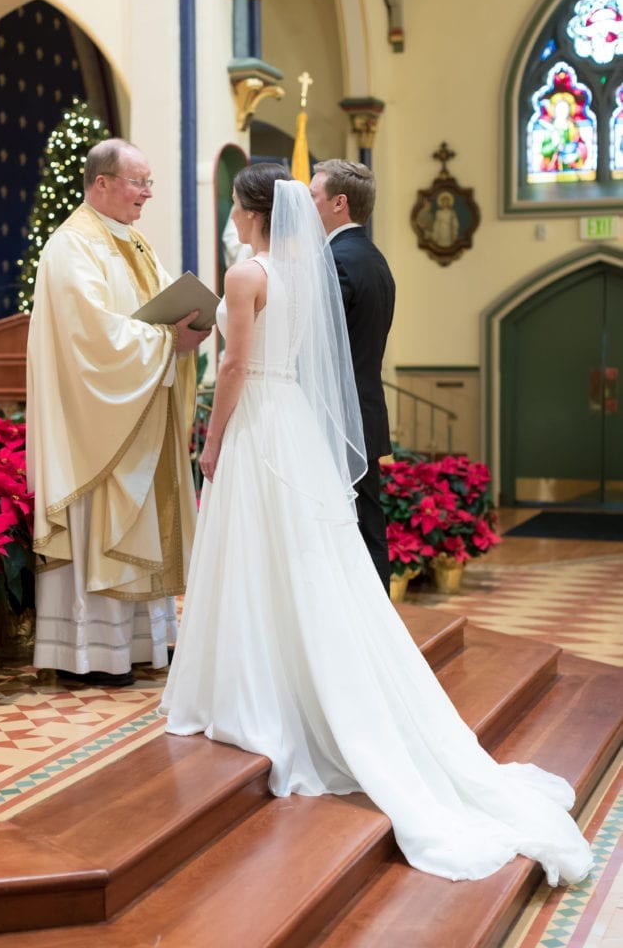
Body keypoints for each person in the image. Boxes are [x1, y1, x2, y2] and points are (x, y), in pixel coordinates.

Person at [160, 162, 592, 888]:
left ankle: (254, 687)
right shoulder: (305, 273)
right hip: (294, 421)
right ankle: (297, 672)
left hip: (260, 421)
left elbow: (233, 363)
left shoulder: (246, 274)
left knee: (254, 555)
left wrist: (210, 439)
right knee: (304, 560)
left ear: (252, 211)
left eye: (235, 206)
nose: (231, 216)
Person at [27, 137, 210, 687]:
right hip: (95, 422)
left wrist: (185, 331)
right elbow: (92, 334)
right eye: (139, 182)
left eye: (150, 182)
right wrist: (164, 341)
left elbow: (147, 313)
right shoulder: (72, 245)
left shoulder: (132, 241)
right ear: (101, 182)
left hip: (138, 412)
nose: (148, 194)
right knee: (102, 521)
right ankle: (90, 653)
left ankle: (141, 644)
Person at [309, 160, 395, 593]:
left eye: (313, 197)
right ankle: (378, 621)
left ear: (339, 203)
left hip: (338, 416)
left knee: (352, 527)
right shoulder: (373, 258)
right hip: (363, 410)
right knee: (367, 523)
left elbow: (315, 342)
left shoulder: (336, 262)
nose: (307, 206)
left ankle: (371, 626)